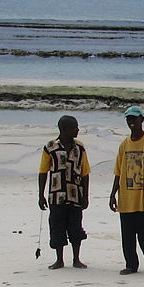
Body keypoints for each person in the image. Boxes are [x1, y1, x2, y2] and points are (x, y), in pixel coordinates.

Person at [109, 106, 144, 275]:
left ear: (142, 119)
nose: (132, 122)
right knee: (127, 236)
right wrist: (112, 194)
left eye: (134, 118)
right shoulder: (124, 144)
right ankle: (131, 265)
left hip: (143, 197)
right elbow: (118, 171)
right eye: (129, 119)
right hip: (126, 199)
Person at [38, 115, 90, 270]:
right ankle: (59, 259)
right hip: (56, 196)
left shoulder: (80, 147)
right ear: (64, 129)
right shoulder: (50, 147)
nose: (78, 129)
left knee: (76, 227)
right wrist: (41, 195)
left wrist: (86, 196)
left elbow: (85, 173)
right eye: (75, 127)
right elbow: (43, 172)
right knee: (57, 226)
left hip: (75, 195)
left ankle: (76, 259)